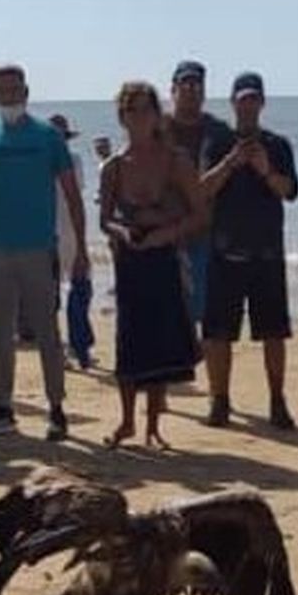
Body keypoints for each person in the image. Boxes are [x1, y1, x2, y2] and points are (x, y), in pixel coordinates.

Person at [0, 64, 89, 441]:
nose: (8, 95)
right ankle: (3, 407)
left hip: (39, 248)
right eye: (0, 90)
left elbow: (72, 195)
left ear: (25, 91)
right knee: (1, 333)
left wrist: (81, 248)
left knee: (46, 332)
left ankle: (56, 408)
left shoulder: (47, 136)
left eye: (13, 88)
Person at [98, 82, 206, 448]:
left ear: (157, 114)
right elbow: (104, 219)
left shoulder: (176, 161)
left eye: (145, 109)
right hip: (129, 260)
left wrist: (167, 233)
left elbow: (200, 213)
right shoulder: (114, 167)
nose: (139, 117)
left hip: (164, 258)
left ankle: (153, 425)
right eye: (131, 110)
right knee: (129, 341)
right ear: (122, 117)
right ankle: (127, 420)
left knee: (162, 342)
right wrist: (123, 232)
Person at [200, 72, 298, 430]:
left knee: (274, 332)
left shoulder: (277, 145)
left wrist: (265, 169)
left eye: (253, 99)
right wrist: (231, 163)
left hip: (266, 254)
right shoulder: (218, 142)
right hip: (224, 253)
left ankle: (277, 401)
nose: (248, 106)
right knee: (217, 334)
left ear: (262, 103)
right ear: (232, 103)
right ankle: (219, 401)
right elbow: (201, 190)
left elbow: (289, 191)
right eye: (242, 99)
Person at [166, 60, 221, 325]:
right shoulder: (156, 129)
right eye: (185, 84)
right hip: (164, 235)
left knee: (203, 318)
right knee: (165, 316)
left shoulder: (218, 131)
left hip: (204, 236)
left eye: (197, 85)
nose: (191, 90)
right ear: (173, 89)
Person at [49, 112, 95, 370]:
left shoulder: (66, 161)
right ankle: (76, 346)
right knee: (73, 291)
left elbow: (76, 200)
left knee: (75, 290)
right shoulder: (70, 161)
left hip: (60, 232)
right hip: (60, 233)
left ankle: (75, 346)